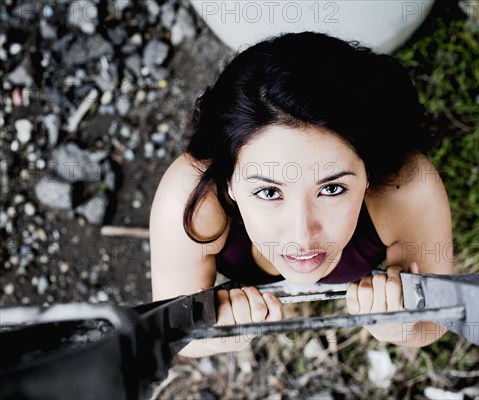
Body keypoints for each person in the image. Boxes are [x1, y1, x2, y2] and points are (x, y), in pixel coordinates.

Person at [149, 31, 454, 358]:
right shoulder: (190, 198)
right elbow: (170, 332)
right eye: (268, 191)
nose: (301, 234)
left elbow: (435, 320)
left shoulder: (406, 188)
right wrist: (211, 337)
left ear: (369, 172)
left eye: (332, 188)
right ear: (229, 183)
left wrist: (399, 326)